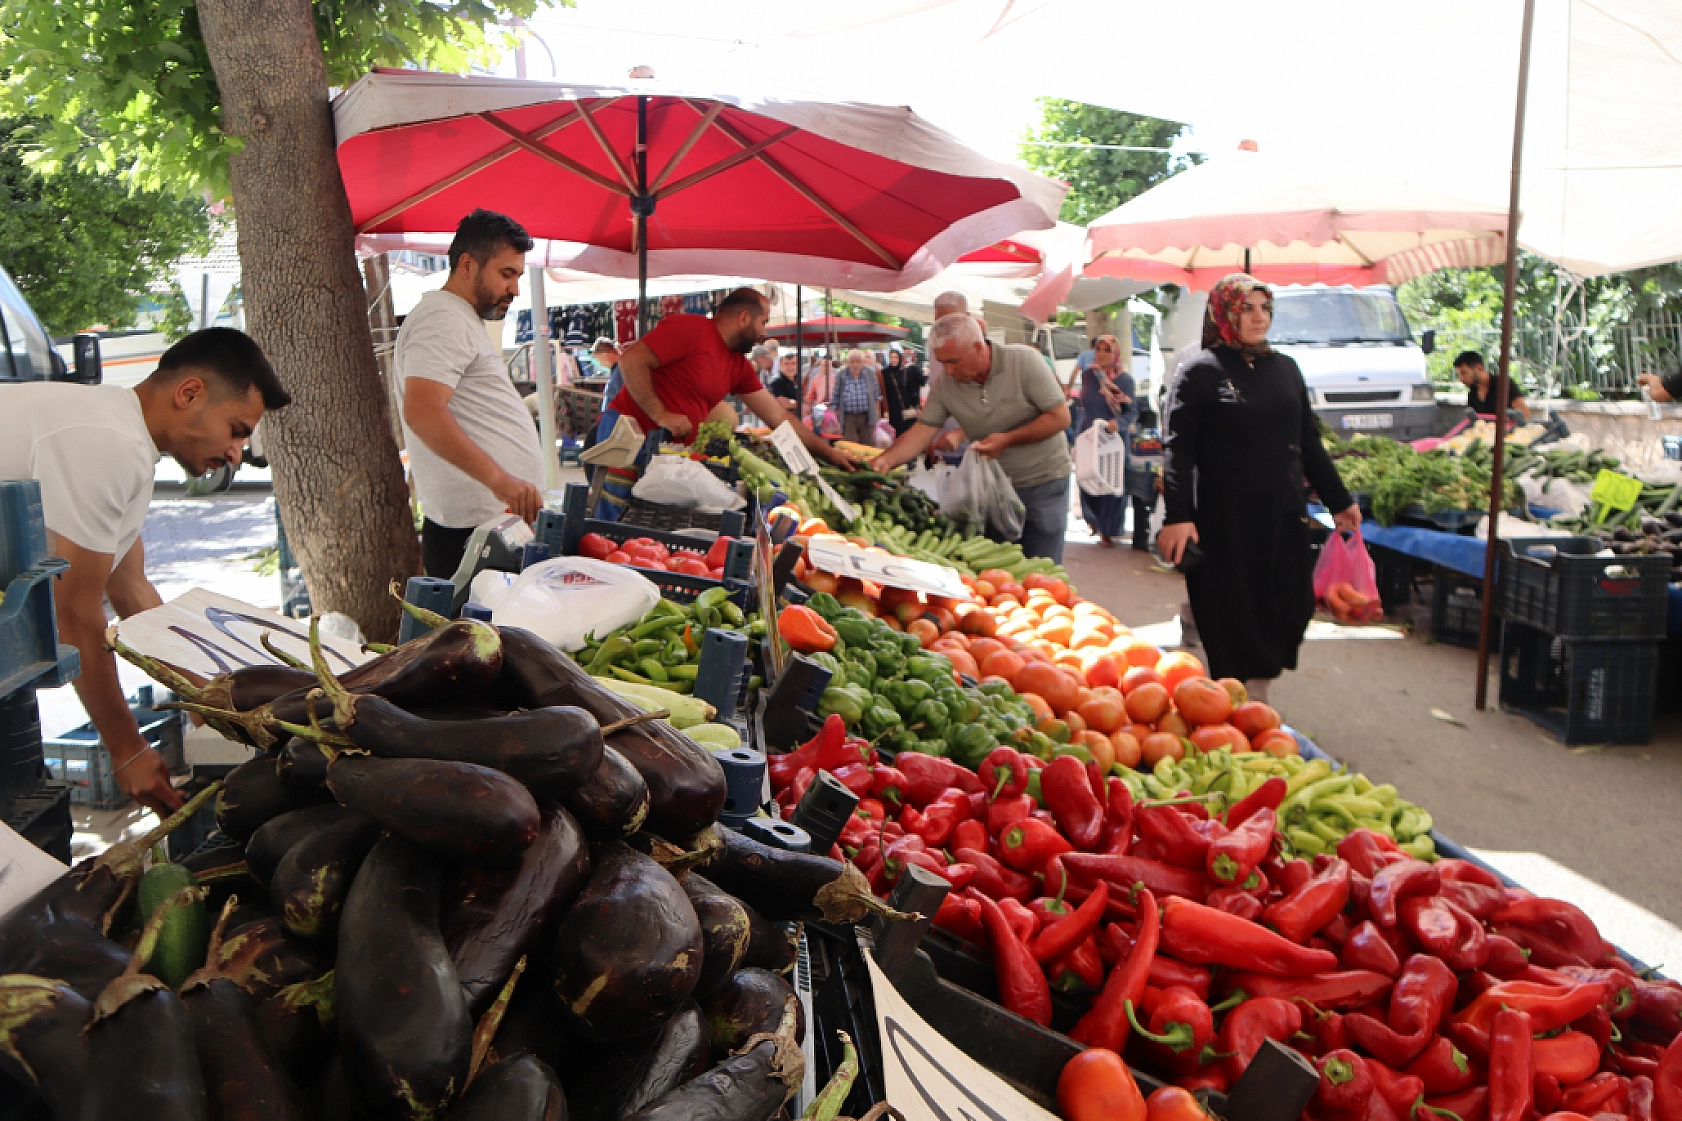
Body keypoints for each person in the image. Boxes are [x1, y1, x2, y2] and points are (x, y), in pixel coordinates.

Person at [0, 328, 289, 815]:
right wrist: (127, 749)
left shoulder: (121, 436)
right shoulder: (105, 441)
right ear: (189, 393)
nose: (238, 452)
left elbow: (132, 593)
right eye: (236, 429)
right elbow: (74, 615)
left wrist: (202, 693)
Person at [1157, 274, 1361, 702]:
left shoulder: (1284, 368)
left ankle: (1254, 691)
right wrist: (1178, 516)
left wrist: (1339, 499)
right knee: (1233, 610)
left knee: (1289, 605)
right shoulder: (1199, 372)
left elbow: (1308, 440)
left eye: (1265, 308)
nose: (1259, 317)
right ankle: (1235, 703)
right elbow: (1178, 450)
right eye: (1247, 308)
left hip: (1284, 516)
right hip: (1223, 520)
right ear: (1225, 312)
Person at [399, 209, 544, 579]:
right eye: (506, 274)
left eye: (517, 276)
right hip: (471, 533)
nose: (514, 289)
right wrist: (500, 480)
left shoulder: (460, 317)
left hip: (487, 527)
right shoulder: (442, 318)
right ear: (467, 265)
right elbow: (422, 410)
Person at [873, 314, 1074, 562]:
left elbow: (1060, 417)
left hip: (1043, 482)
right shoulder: (946, 384)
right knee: (997, 565)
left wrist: (1008, 439)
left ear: (978, 347)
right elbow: (922, 430)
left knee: (1042, 565)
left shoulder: (1024, 361)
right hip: (992, 489)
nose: (948, 370)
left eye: (954, 361)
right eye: (942, 362)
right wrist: (886, 461)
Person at [605, 286, 858, 469]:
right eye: (763, 323)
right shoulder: (690, 328)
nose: (764, 333)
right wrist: (660, 414)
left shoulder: (738, 365)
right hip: (626, 438)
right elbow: (631, 360)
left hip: (667, 455)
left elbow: (778, 417)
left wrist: (829, 453)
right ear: (744, 318)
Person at [1076, 334, 1140, 547]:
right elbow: (1084, 404)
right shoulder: (1089, 375)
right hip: (1089, 435)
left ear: (1115, 354)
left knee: (1110, 484)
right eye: (1098, 349)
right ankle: (1094, 522)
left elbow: (1131, 412)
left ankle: (1108, 531)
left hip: (1112, 440)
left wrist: (1117, 423)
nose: (1101, 354)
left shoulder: (1124, 380)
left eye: (1107, 350)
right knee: (1086, 480)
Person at [1455, 350, 1529, 420]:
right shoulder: (1472, 394)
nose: (1461, 379)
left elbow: (1525, 416)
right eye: (1458, 375)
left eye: (1464, 373)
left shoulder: (1504, 384)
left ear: (1478, 368)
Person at [830, 348, 882, 445]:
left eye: (858, 361)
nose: (855, 364)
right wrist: (834, 414)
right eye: (852, 361)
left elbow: (876, 394)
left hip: (866, 415)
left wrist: (877, 412)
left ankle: (867, 461)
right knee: (851, 444)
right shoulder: (841, 374)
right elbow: (835, 395)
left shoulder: (870, 372)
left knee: (867, 444)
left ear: (862, 362)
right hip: (849, 416)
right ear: (848, 362)